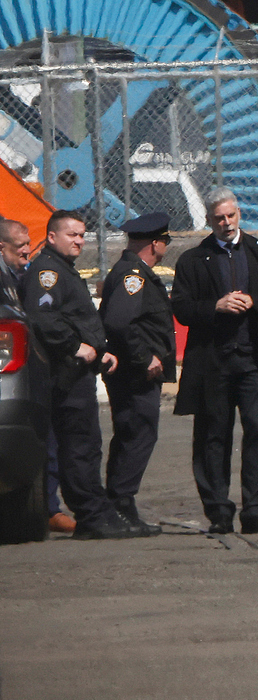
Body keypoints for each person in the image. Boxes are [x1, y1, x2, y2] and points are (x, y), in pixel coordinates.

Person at [172, 188, 258, 535]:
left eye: (231, 216)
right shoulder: (194, 260)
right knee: (213, 436)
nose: (226, 223)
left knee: (257, 431)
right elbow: (181, 308)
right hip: (213, 362)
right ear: (209, 220)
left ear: (239, 214)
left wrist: (254, 301)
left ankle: (256, 510)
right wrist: (215, 305)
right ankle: (219, 511)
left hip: (253, 360)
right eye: (218, 218)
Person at [27, 211, 144, 539]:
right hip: (64, 376)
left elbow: (69, 317)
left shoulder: (63, 270)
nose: (79, 240)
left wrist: (97, 349)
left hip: (76, 373)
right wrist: (76, 346)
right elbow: (43, 317)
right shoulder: (48, 272)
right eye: (72, 235)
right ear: (52, 237)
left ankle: (94, 510)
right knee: (79, 445)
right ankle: (92, 515)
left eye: (82, 234)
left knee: (84, 443)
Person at [100, 212, 177, 536]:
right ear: (155, 243)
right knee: (138, 435)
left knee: (132, 436)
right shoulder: (134, 275)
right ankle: (120, 503)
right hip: (135, 376)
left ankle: (120, 503)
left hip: (132, 374)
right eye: (165, 242)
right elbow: (119, 322)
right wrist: (144, 358)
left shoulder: (133, 272)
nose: (165, 248)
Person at [0, 217, 69, 536]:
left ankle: (50, 509)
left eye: (30, 244)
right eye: (20, 246)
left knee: (45, 436)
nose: (27, 251)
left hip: (31, 379)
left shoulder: (23, 278)